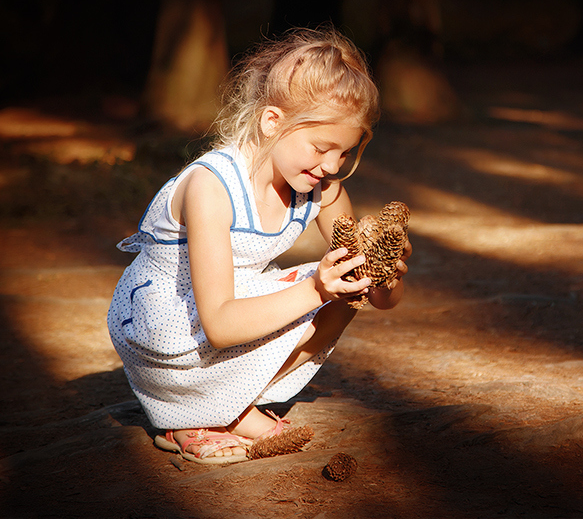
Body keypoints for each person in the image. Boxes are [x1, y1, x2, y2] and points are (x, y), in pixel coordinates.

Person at [107, 27, 410, 464]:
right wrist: (316, 289)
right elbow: (219, 325)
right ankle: (189, 415)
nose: (331, 166)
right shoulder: (212, 186)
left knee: (346, 284)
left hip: (232, 303)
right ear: (273, 121)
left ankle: (231, 407)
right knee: (322, 284)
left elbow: (379, 298)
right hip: (169, 319)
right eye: (322, 148)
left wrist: (387, 267)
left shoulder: (321, 185)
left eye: (344, 154)